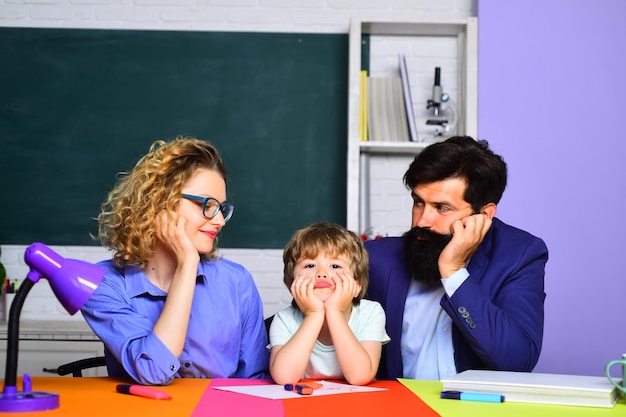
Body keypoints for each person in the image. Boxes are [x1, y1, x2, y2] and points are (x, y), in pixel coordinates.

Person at [81, 136, 269, 385]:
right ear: (160, 202)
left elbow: (255, 382)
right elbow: (153, 371)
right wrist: (188, 265)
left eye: (221, 208)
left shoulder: (236, 282)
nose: (220, 221)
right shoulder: (104, 284)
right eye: (208, 205)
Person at [365, 136, 548, 381]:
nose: (422, 221)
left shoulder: (519, 255)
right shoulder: (377, 259)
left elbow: (517, 361)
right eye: (418, 203)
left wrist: (454, 271)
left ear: (484, 214)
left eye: (442, 208)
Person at [269, 221, 390, 386]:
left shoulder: (371, 312)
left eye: (335, 265)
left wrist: (334, 311)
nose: (322, 273)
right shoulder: (285, 319)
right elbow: (284, 378)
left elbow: (359, 376)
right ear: (292, 284)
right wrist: (314, 315)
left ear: (357, 286)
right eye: (310, 265)